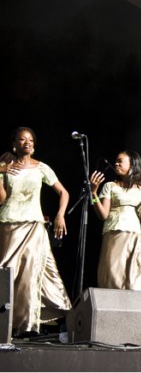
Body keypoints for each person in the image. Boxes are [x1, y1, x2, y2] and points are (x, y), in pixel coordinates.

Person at [0, 127, 72, 337]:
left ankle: (27, 325)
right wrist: (1, 172)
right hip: (9, 224)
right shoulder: (5, 166)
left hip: (34, 225)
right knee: (7, 270)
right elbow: (2, 199)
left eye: (30, 140)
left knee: (31, 273)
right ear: (14, 143)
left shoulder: (42, 168)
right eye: (22, 140)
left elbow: (63, 192)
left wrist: (60, 215)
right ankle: (6, 323)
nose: (27, 143)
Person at [90, 150, 141, 291]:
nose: (116, 163)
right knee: (114, 277)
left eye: (120, 161)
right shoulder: (110, 186)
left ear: (132, 165)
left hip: (134, 237)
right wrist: (93, 193)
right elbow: (103, 214)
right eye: (116, 160)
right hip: (114, 235)